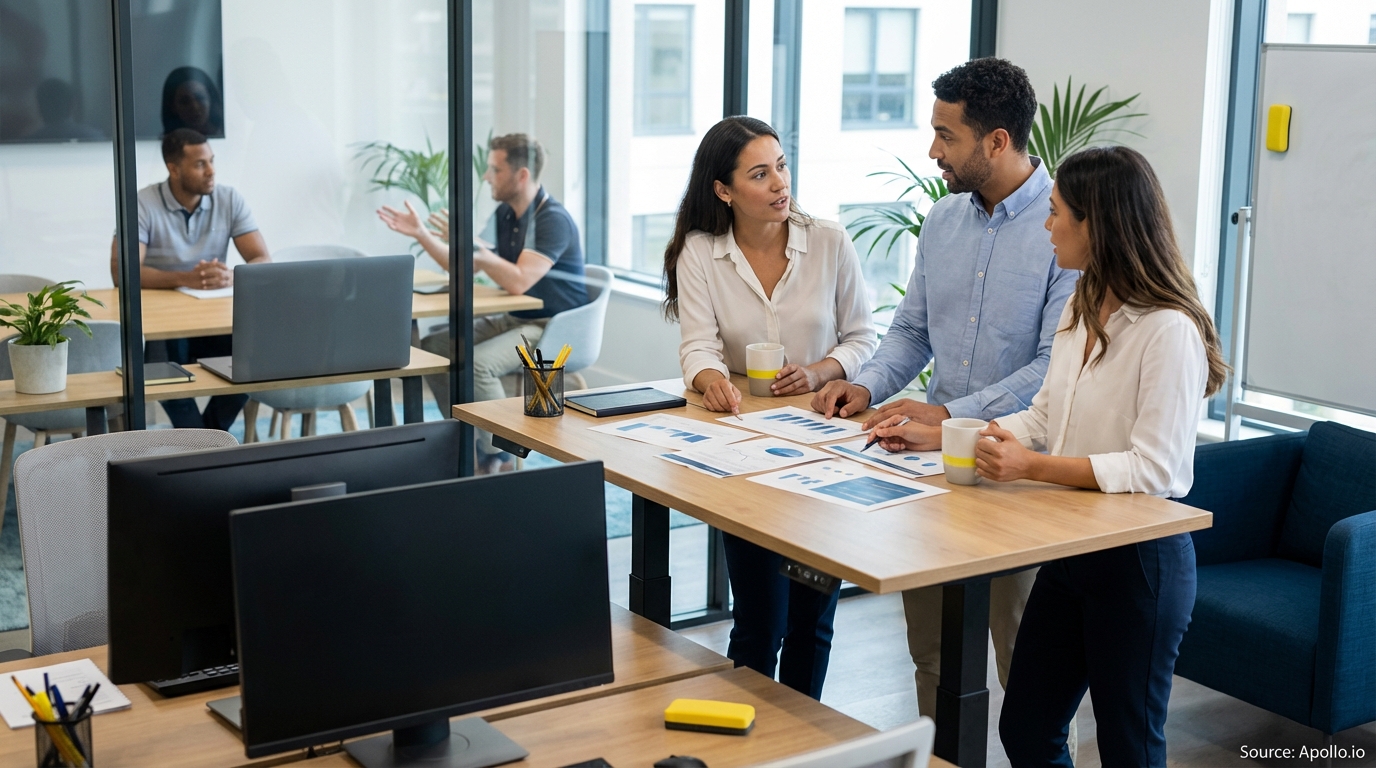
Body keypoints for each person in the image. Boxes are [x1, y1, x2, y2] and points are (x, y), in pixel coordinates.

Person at [875, 146, 1226, 767]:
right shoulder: (1083, 302)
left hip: (1139, 564)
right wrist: (956, 435)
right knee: (1027, 728)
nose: (1047, 224)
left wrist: (1032, 468)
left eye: (1058, 212)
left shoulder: (1168, 329)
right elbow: (1043, 417)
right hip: (1071, 551)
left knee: (1130, 745)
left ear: (1098, 223)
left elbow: (1159, 469)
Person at [811, 58, 1078, 726]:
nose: (933, 151)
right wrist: (863, 384)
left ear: (997, 140)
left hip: (1021, 472)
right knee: (933, 658)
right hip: (931, 472)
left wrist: (947, 414)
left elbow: (1053, 367)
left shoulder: (1067, 227)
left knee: (1029, 672)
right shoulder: (942, 220)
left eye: (946, 135)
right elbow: (912, 330)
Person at [665, 116, 877, 699]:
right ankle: (752, 736)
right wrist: (711, 380)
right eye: (759, 174)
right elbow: (698, 346)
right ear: (723, 190)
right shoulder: (701, 252)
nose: (780, 183)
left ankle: (806, 738)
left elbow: (863, 338)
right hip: (744, 457)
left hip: (823, 455)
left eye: (781, 166)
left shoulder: (829, 241)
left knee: (812, 618)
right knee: (760, 621)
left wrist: (820, 371)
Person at [377, 133, 588, 474]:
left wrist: (473, 246)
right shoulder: (506, 213)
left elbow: (518, 280)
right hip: (516, 317)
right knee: (437, 346)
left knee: (478, 365)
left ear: (521, 175)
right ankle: (469, 442)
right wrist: (421, 234)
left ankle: (500, 456)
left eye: (495, 169)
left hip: (552, 326)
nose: (487, 176)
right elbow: (465, 262)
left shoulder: (552, 220)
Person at [109, 128, 270, 430]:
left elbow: (261, 259)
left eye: (212, 161)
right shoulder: (142, 203)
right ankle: (207, 446)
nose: (211, 171)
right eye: (200, 164)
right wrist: (186, 278)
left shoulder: (229, 199)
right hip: (164, 324)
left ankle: (204, 441)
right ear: (173, 169)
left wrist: (231, 275)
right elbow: (122, 272)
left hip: (215, 317)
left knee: (254, 362)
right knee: (167, 377)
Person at [160, 67, 224, 137]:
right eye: (185, 101)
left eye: (200, 98)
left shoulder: (228, 137)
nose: (195, 107)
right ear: (173, 107)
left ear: (211, 99)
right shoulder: (167, 141)